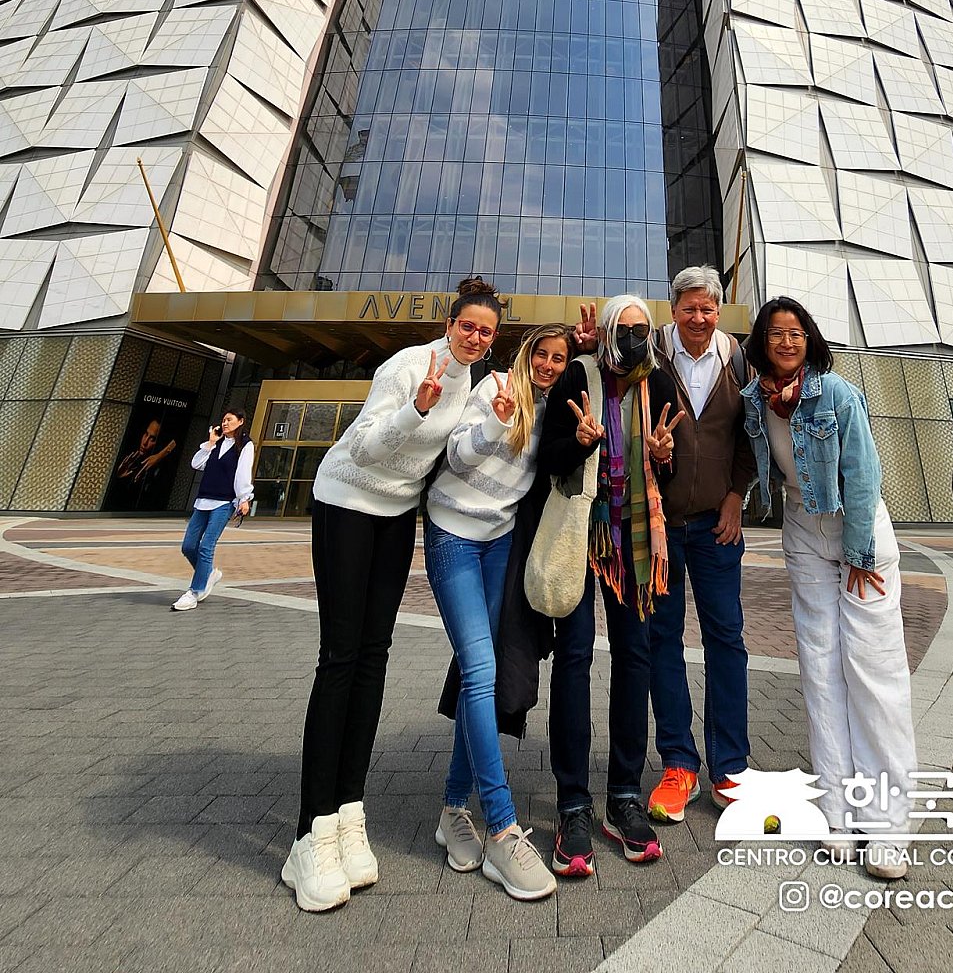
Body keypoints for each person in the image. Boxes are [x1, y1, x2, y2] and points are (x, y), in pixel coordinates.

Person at [283, 276, 503, 913]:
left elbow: (455, 456)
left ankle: (348, 812)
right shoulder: (409, 366)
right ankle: (309, 833)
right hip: (347, 503)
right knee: (340, 658)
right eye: (467, 325)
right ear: (449, 324)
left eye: (486, 331)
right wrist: (417, 408)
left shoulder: (474, 382)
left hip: (397, 515)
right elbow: (362, 446)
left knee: (374, 658)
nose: (474, 337)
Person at [741, 296, 917, 883]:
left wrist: (860, 552)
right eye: (775, 333)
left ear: (809, 339)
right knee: (819, 669)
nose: (786, 342)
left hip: (856, 530)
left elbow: (864, 474)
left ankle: (887, 826)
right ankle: (837, 812)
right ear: (762, 342)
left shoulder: (837, 394)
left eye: (796, 333)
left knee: (874, 670)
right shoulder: (755, 398)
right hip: (802, 530)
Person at [423, 324, 576, 902]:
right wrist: (496, 421)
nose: (549, 365)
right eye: (543, 354)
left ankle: (451, 809)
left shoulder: (553, 408)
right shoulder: (494, 388)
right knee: (481, 671)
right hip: (454, 537)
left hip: (501, 544)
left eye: (559, 358)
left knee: (476, 678)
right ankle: (503, 826)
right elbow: (456, 456)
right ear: (526, 353)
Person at [538, 295, 682, 877]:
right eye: (624, 329)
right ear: (606, 331)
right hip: (582, 530)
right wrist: (580, 442)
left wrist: (664, 456)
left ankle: (624, 793)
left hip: (635, 537)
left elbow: (670, 464)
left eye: (642, 329)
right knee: (574, 656)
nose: (633, 338)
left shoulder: (659, 382)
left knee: (635, 656)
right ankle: (573, 802)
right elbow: (548, 455)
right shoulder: (579, 375)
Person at [644, 265, 755, 823]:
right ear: (673, 310)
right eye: (688, 308)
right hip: (661, 527)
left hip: (717, 526)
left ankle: (729, 766)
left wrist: (737, 495)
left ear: (718, 311)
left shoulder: (737, 360)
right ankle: (678, 763)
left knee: (726, 639)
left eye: (707, 309)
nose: (698, 317)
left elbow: (751, 435)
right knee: (662, 638)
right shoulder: (650, 357)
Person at [172, 410, 252, 612]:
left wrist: (244, 498)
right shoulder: (216, 444)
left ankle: (194, 592)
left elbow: (243, 473)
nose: (225, 423)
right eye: (223, 420)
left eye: (229, 420)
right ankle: (207, 574)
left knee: (206, 546)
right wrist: (210, 443)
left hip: (224, 502)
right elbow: (196, 464)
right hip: (203, 500)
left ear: (240, 421)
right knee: (188, 546)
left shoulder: (245, 445)